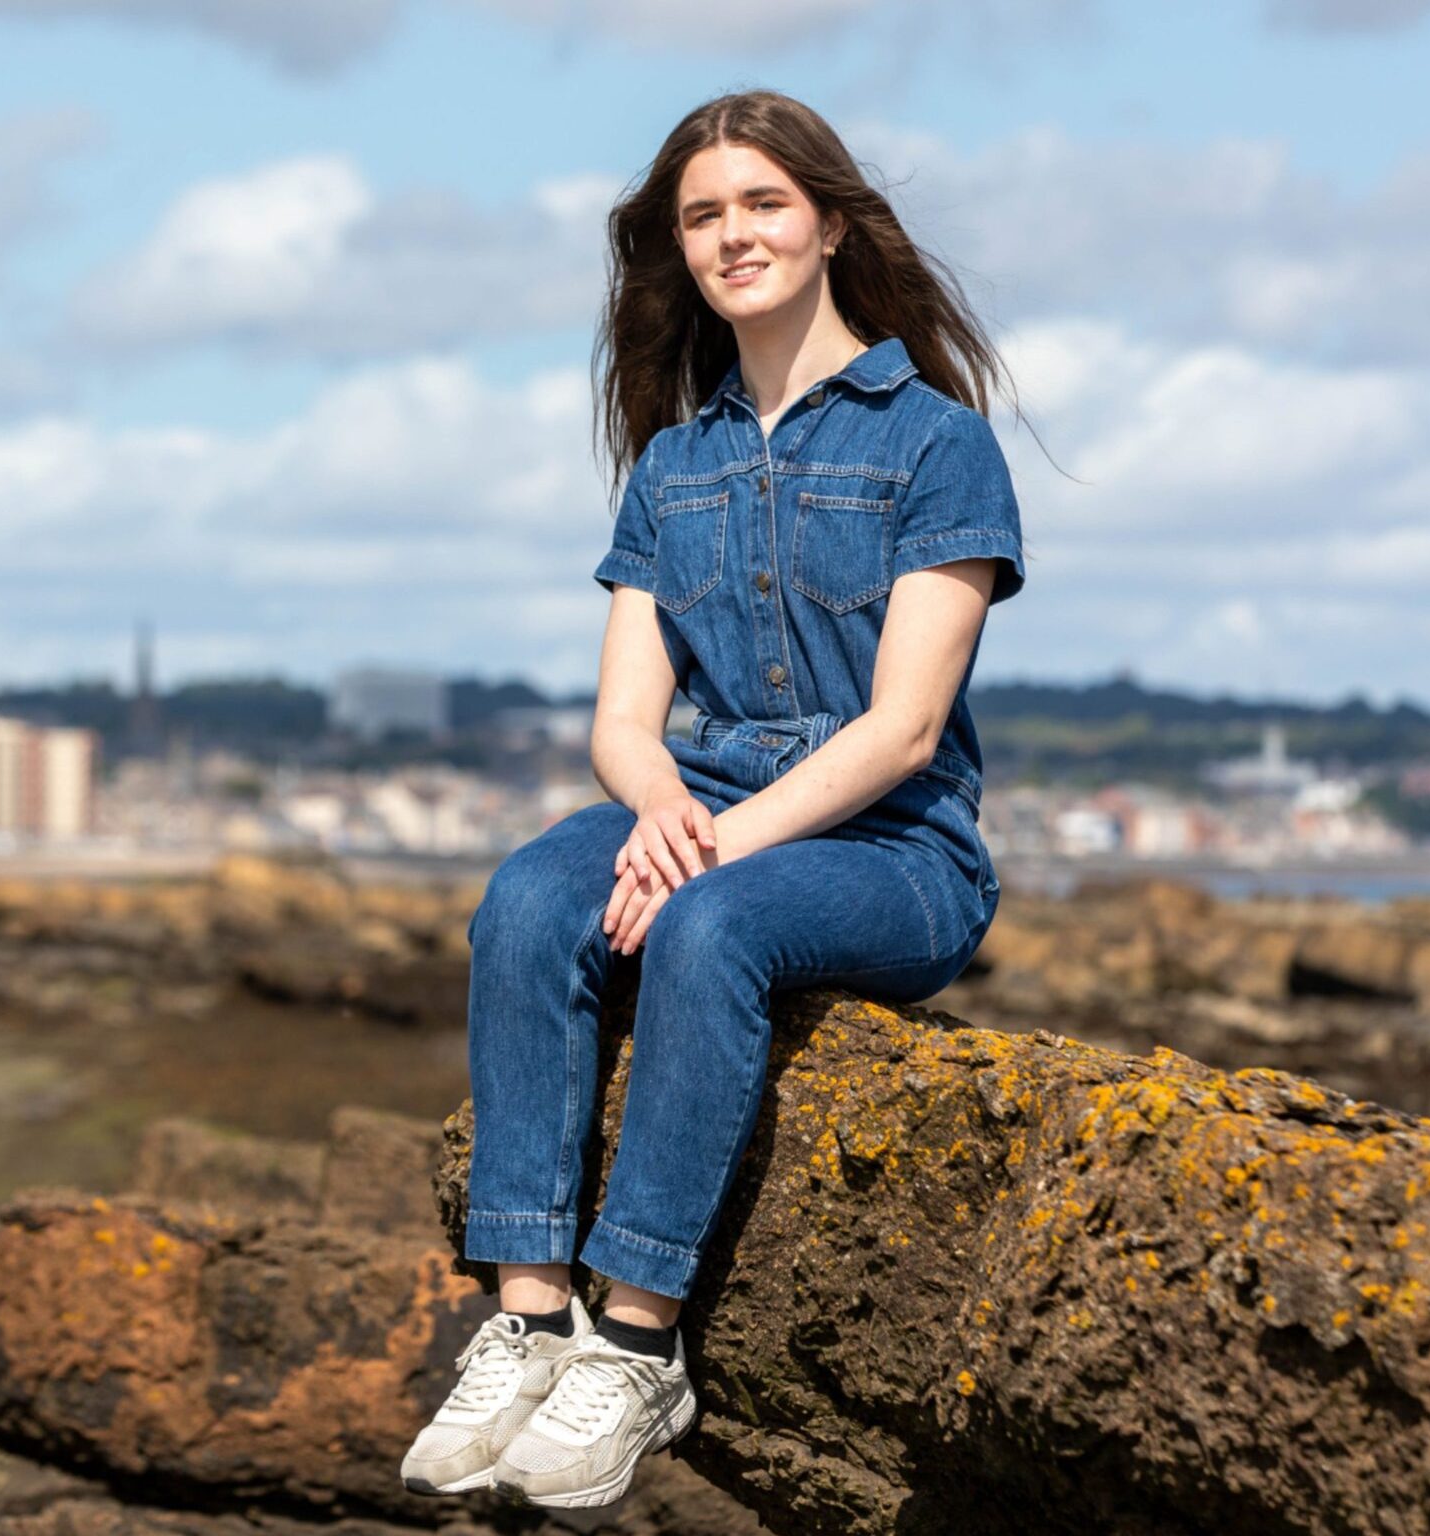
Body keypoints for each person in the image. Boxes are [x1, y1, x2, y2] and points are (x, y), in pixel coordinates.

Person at [401, 87, 1033, 1511]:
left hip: (896, 845)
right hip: (695, 808)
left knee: (707, 934)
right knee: (522, 902)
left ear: (826, 222)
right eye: (702, 215)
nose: (732, 233)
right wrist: (663, 816)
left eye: (760, 203)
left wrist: (709, 852)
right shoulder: (673, 465)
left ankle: (637, 1342)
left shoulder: (935, 443)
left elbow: (905, 725)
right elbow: (623, 723)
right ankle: (529, 1315)